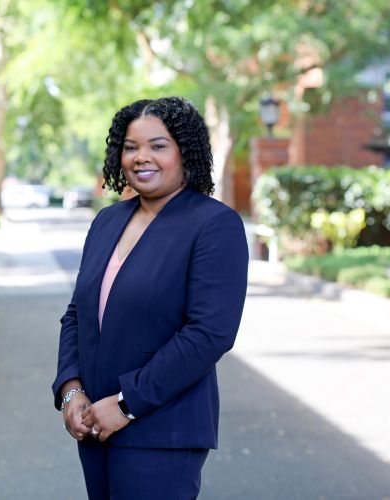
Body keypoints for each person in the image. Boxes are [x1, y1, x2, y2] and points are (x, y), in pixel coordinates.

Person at [51, 96, 249, 499]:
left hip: (162, 432)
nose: (142, 157)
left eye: (158, 145)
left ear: (184, 152)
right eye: (131, 147)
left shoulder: (214, 225)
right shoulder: (108, 222)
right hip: (94, 427)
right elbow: (78, 314)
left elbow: (209, 334)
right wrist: (72, 391)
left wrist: (125, 404)